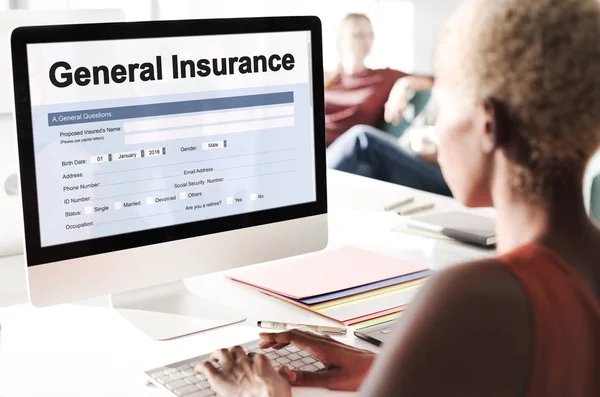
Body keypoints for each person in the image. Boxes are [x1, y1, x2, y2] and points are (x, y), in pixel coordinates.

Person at [196, 0, 600, 395]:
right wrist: (390, 370)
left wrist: (259, 392)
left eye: (440, 106)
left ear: (487, 125)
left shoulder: (475, 295)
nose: (437, 129)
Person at [323, 13, 434, 146]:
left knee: (361, 135)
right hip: (313, 148)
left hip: (351, 149)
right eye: (358, 35)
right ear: (341, 41)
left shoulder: (383, 78)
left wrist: (403, 84)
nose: (366, 40)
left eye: (370, 35)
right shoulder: (324, 78)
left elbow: (435, 80)